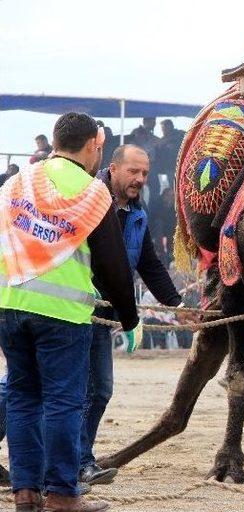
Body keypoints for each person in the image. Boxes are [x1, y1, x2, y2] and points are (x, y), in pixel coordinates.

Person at [0, 112, 142, 512]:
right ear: (96, 143)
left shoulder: (16, 182)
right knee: (64, 401)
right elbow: (112, 265)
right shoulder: (93, 192)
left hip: (10, 306)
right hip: (62, 315)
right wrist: (128, 317)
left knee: (23, 397)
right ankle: (62, 494)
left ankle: (25, 493)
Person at [80, 144, 183, 485]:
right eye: (133, 171)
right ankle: (74, 462)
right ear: (112, 168)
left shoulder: (137, 212)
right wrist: (130, 317)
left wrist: (177, 306)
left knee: (98, 390)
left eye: (145, 174)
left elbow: (148, 263)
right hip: (78, 310)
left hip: (108, 313)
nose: (140, 179)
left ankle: (81, 461)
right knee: (58, 389)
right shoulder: (90, 199)